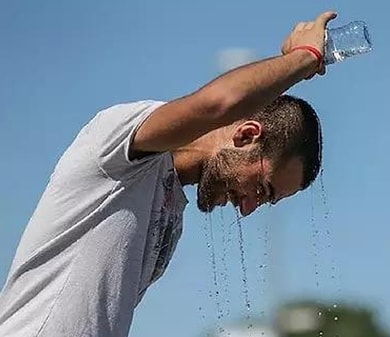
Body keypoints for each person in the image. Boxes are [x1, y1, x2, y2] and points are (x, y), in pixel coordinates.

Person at [0, 10, 338, 337]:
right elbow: (219, 103)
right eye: (262, 189)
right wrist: (304, 58)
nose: (248, 208)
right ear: (246, 136)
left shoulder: (170, 218)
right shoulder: (119, 146)